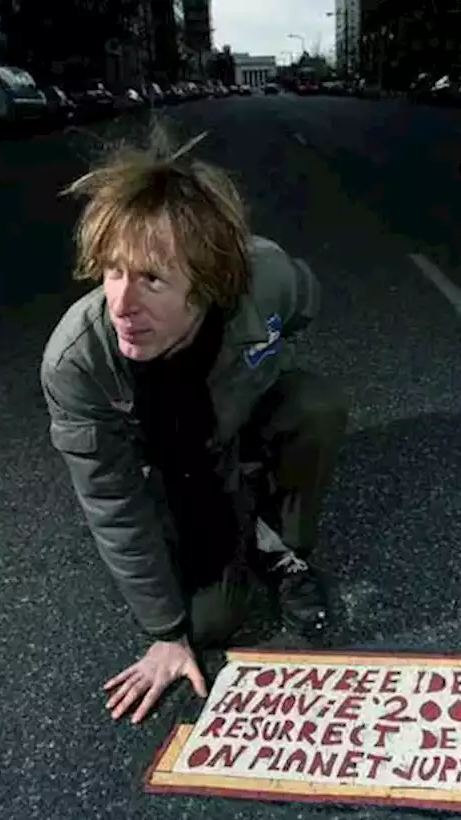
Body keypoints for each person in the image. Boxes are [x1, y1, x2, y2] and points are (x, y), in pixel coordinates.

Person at [40, 126, 349, 724]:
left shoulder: (265, 278)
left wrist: (265, 355)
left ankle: (282, 550)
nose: (122, 305)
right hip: (173, 467)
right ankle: (227, 516)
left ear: (206, 285)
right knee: (210, 624)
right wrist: (164, 632)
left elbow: (305, 304)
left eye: (151, 279)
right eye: (111, 271)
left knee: (316, 406)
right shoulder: (77, 362)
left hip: (237, 424)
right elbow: (112, 502)